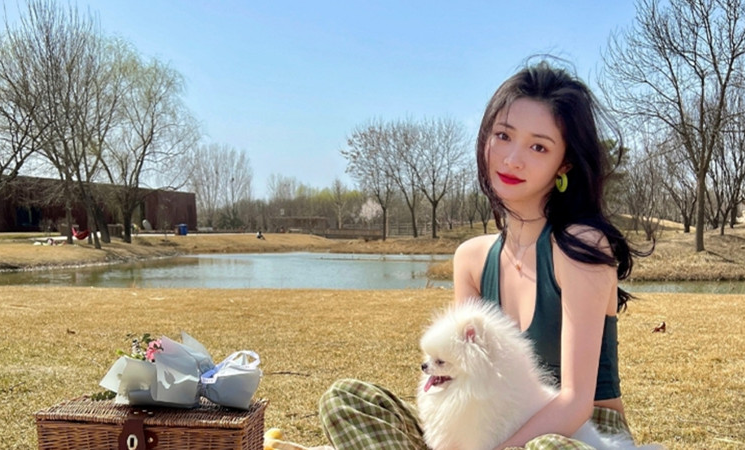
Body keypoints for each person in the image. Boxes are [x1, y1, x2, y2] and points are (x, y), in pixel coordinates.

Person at [267, 60, 650, 450]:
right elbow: (454, 383)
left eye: (538, 146)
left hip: (581, 435)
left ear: (564, 163)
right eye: (503, 136)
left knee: (545, 448)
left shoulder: (580, 247)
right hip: (491, 426)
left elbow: (575, 403)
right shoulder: (472, 258)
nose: (512, 159)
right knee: (346, 401)